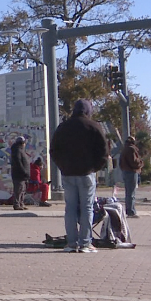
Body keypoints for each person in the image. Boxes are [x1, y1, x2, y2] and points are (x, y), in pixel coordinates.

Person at [49, 99, 108, 253]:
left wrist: (62, 166)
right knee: (87, 208)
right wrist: (95, 167)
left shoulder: (63, 127)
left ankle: (71, 243)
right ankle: (85, 242)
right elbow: (103, 152)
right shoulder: (94, 126)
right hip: (87, 173)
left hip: (68, 173)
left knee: (70, 209)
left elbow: (54, 150)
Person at [119, 136, 143, 216]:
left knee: (128, 193)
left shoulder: (124, 149)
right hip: (131, 172)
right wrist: (140, 163)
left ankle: (129, 210)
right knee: (131, 193)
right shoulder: (131, 149)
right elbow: (134, 162)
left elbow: (120, 162)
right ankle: (131, 211)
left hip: (125, 171)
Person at [10, 136, 31, 210]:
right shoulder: (17, 150)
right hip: (19, 174)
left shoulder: (20, 150)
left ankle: (21, 203)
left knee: (22, 190)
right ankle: (17, 204)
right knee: (18, 190)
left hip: (23, 175)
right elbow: (18, 162)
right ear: (22, 143)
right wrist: (24, 171)